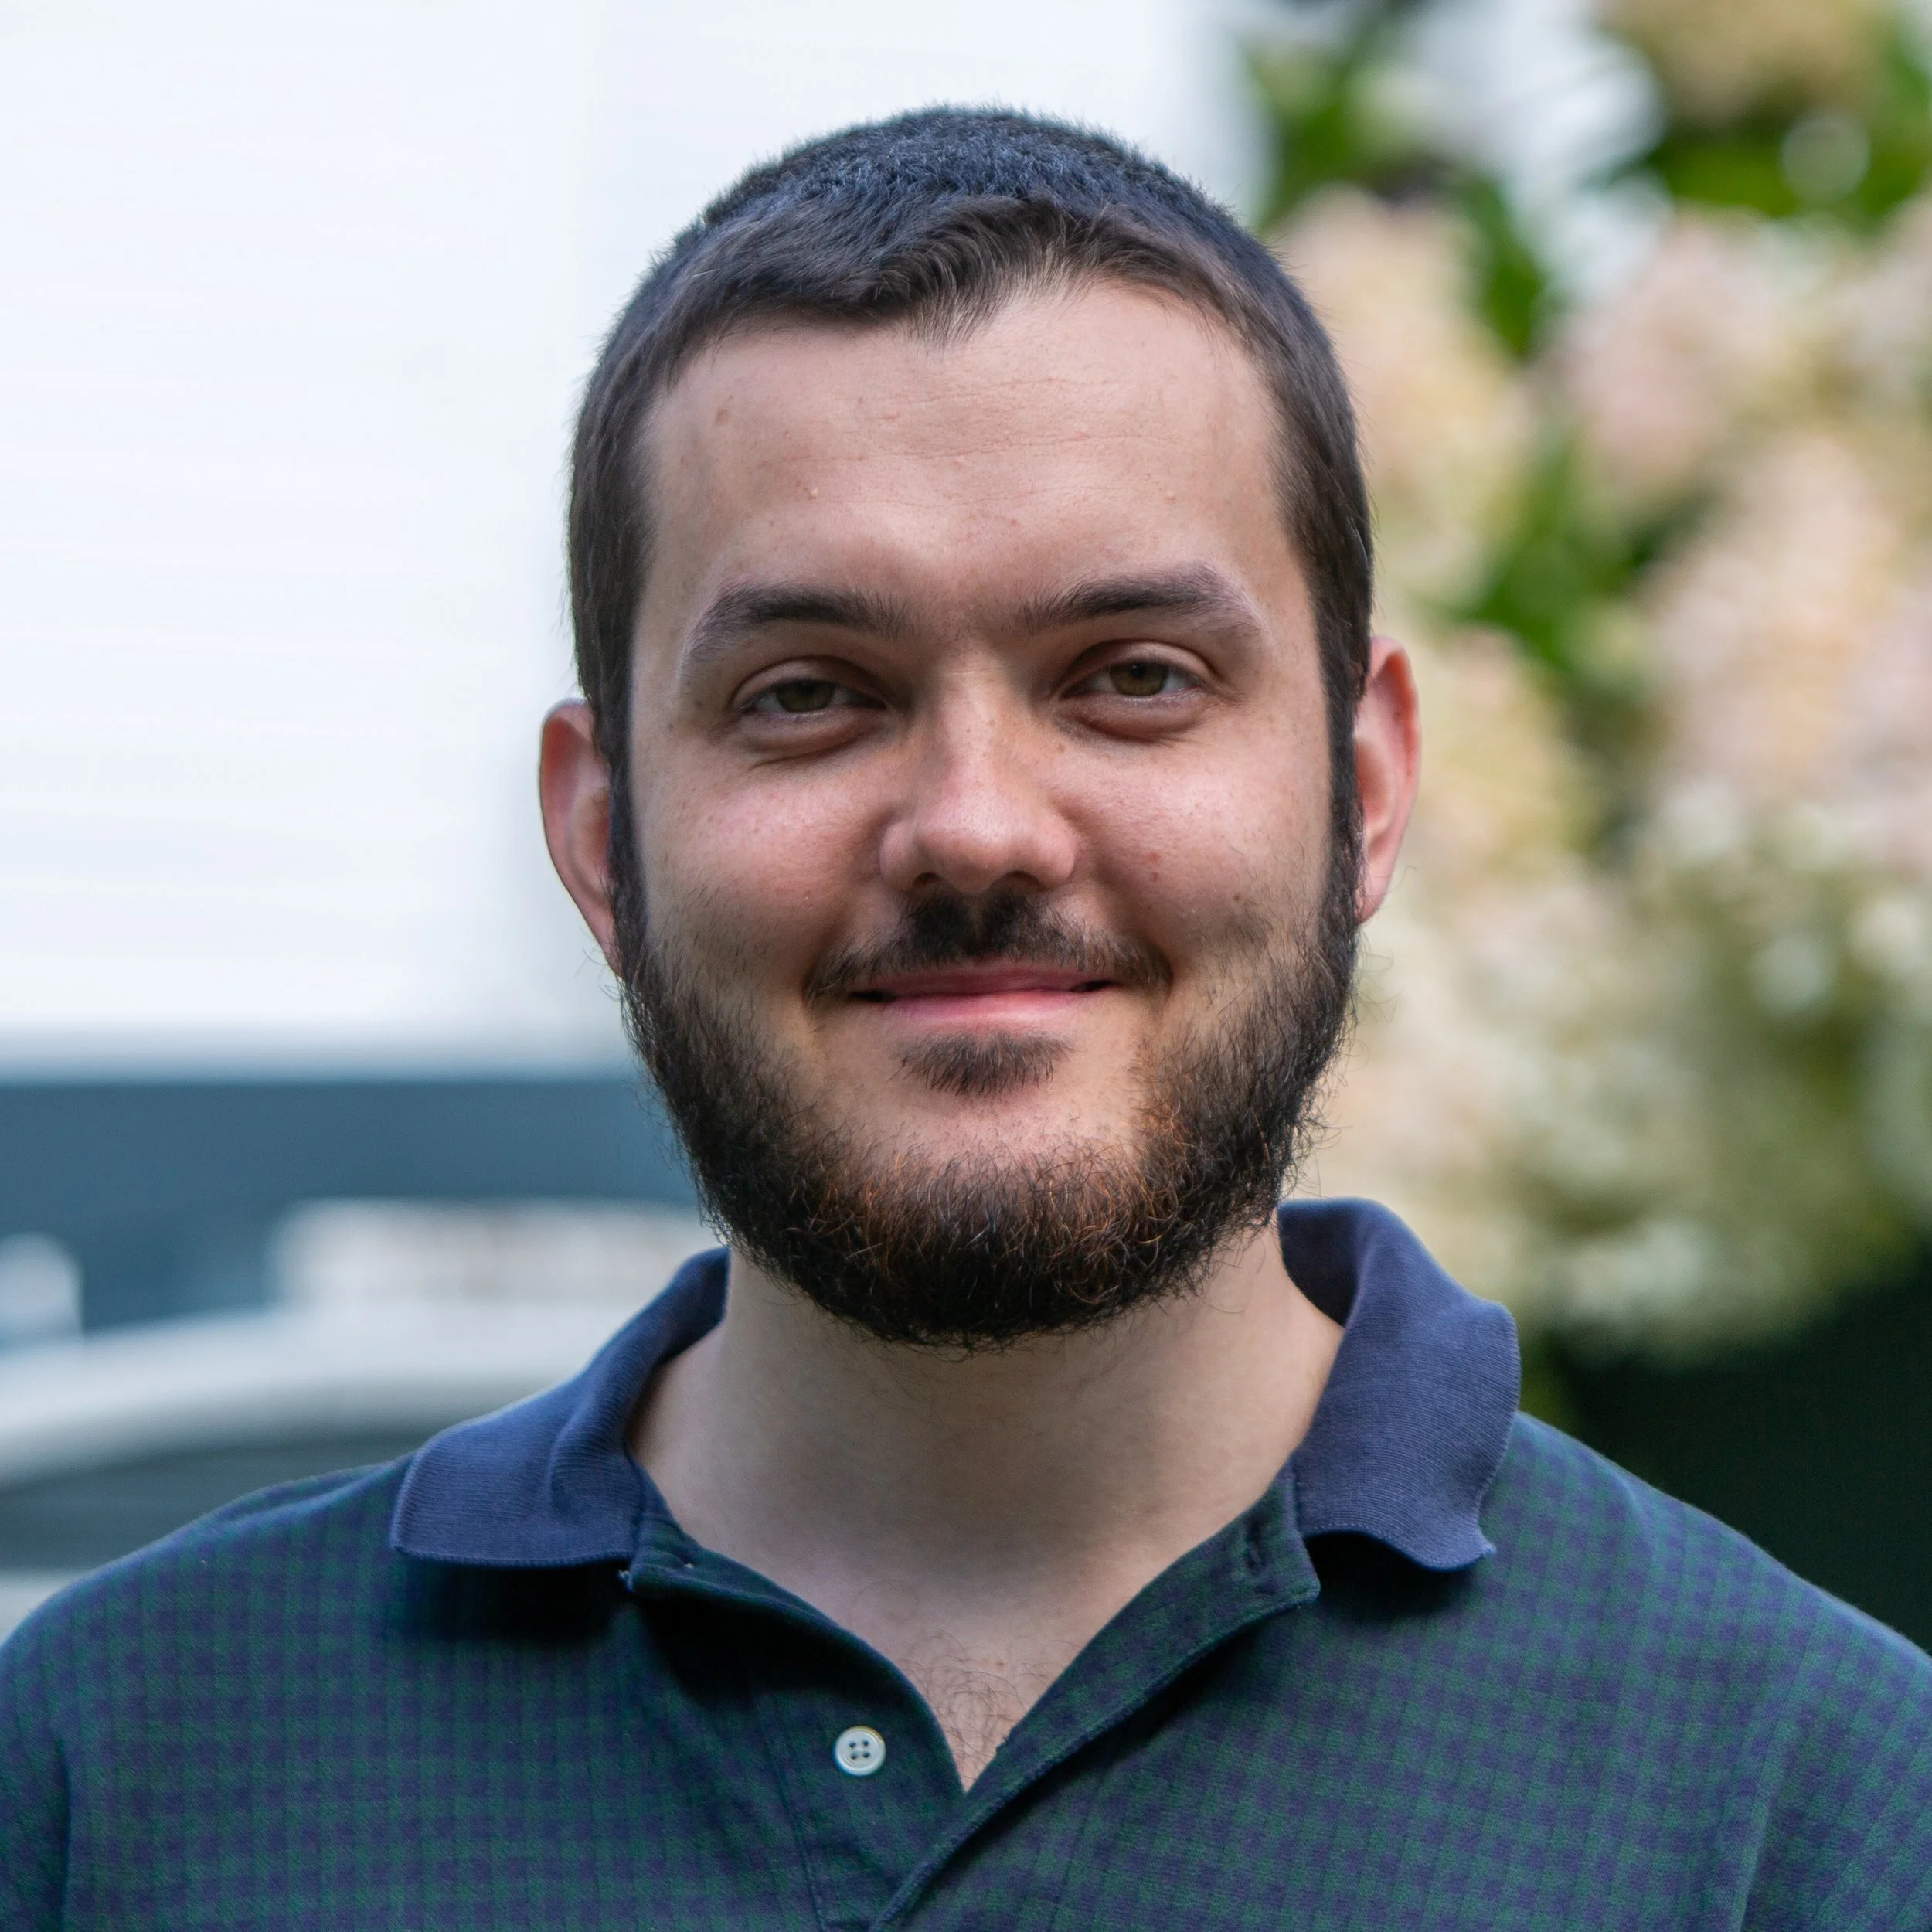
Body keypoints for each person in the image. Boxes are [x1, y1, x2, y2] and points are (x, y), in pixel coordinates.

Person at [4, 108, 1930, 1930]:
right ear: (602, 836)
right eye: (807, 693)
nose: (978, 827)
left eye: (1134, 677)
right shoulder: (126, 1768)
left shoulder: (1806, 1808)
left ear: (1363, 791)